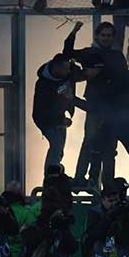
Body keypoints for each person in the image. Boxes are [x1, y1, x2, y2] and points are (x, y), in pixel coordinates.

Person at [64, 22, 129, 190]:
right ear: (97, 36)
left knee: (112, 149)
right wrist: (73, 32)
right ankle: (86, 180)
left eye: (109, 35)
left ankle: (110, 183)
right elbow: (67, 53)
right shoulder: (90, 54)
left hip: (117, 115)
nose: (106, 38)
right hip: (101, 108)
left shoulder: (116, 60)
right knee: (92, 143)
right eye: (103, 35)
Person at [31, 47, 94, 176]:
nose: (68, 71)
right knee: (56, 145)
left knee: (59, 149)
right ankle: (51, 176)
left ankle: (54, 173)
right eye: (65, 69)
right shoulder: (44, 85)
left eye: (68, 68)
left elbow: (81, 74)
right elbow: (42, 111)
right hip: (46, 120)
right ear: (56, 68)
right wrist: (60, 120)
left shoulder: (68, 73)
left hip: (59, 117)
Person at [82, 185, 129, 257]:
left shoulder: (123, 210)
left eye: (116, 200)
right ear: (102, 200)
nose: (114, 203)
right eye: (110, 201)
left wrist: (123, 215)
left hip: (120, 250)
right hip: (100, 251)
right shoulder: (95, 212)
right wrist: (108, 217)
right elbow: (93, 234)